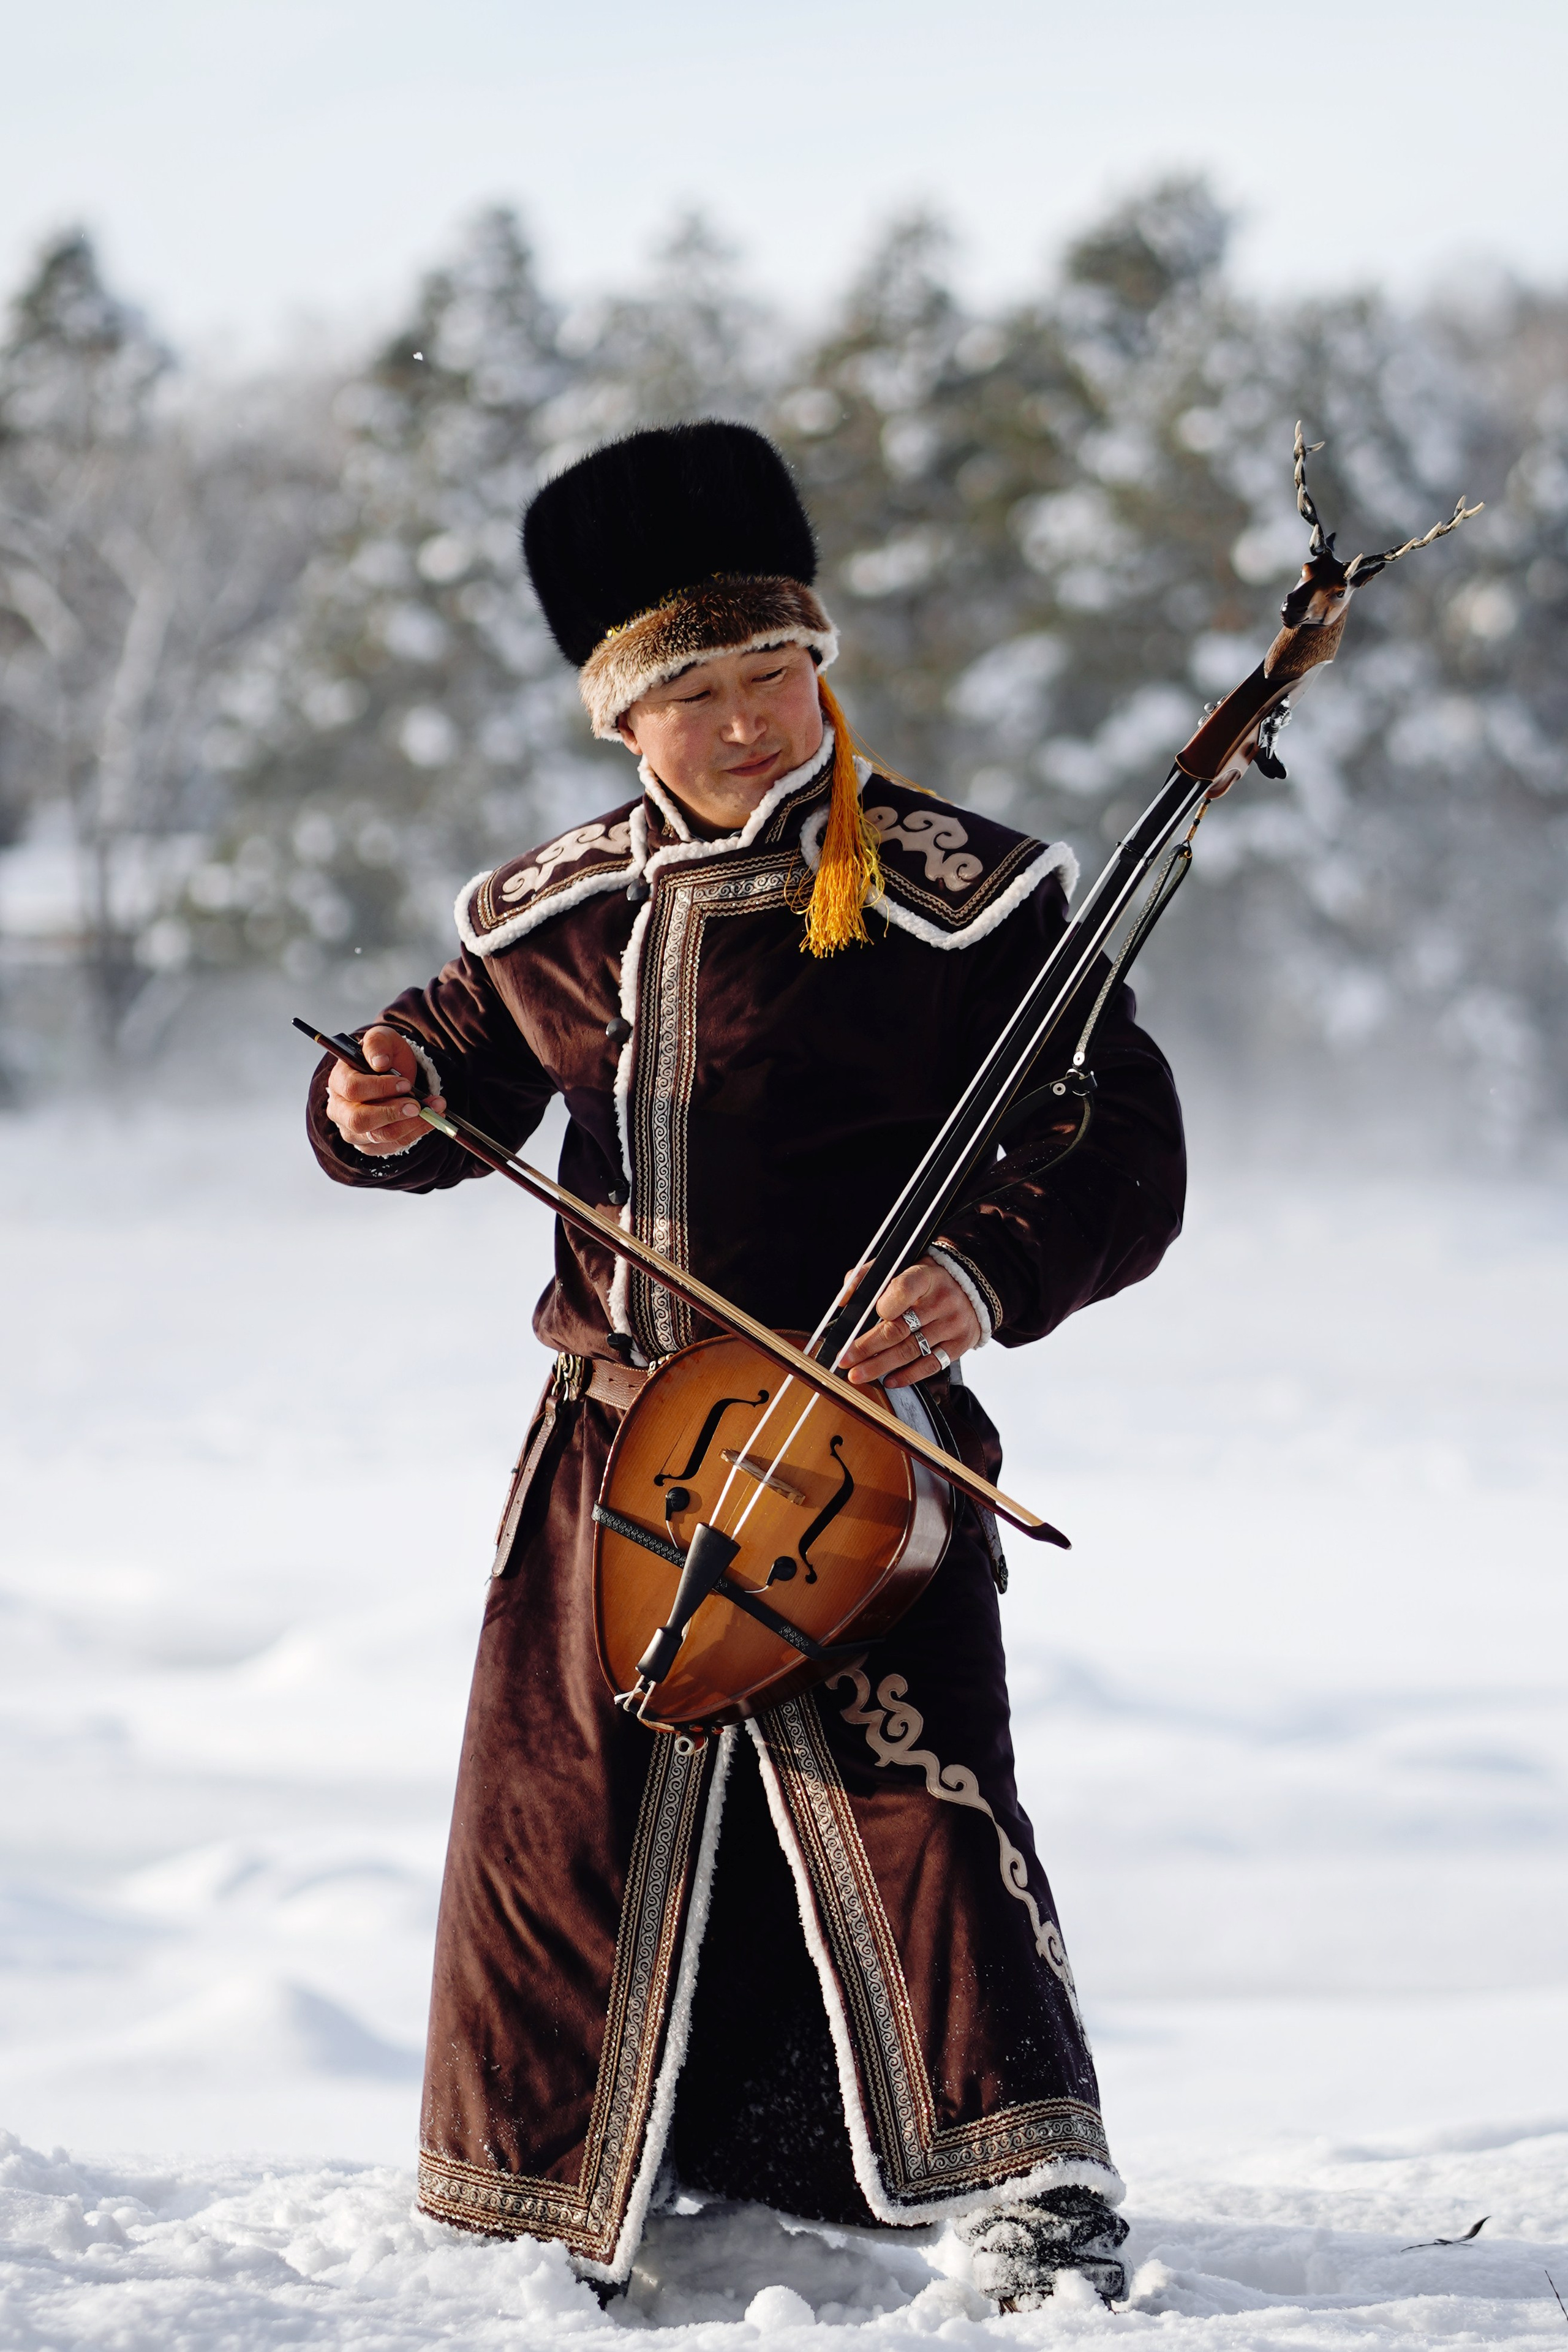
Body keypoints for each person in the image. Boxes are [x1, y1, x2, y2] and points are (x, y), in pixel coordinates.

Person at [306, 421, 1185, 2309]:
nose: (747, 721)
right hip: (618, 1454)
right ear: (621, 723)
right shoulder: (550, 911)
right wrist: (371, 1107)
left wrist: (979, 1274)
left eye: (775, 673)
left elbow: (1117, 1141)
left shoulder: (969, 891)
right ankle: (572, 2183)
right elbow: (426, 1076)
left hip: (860, 1442)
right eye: (694, 693)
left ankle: (1030, 2184)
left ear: (822, 663)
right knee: (571, 1818)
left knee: (912, 1791)